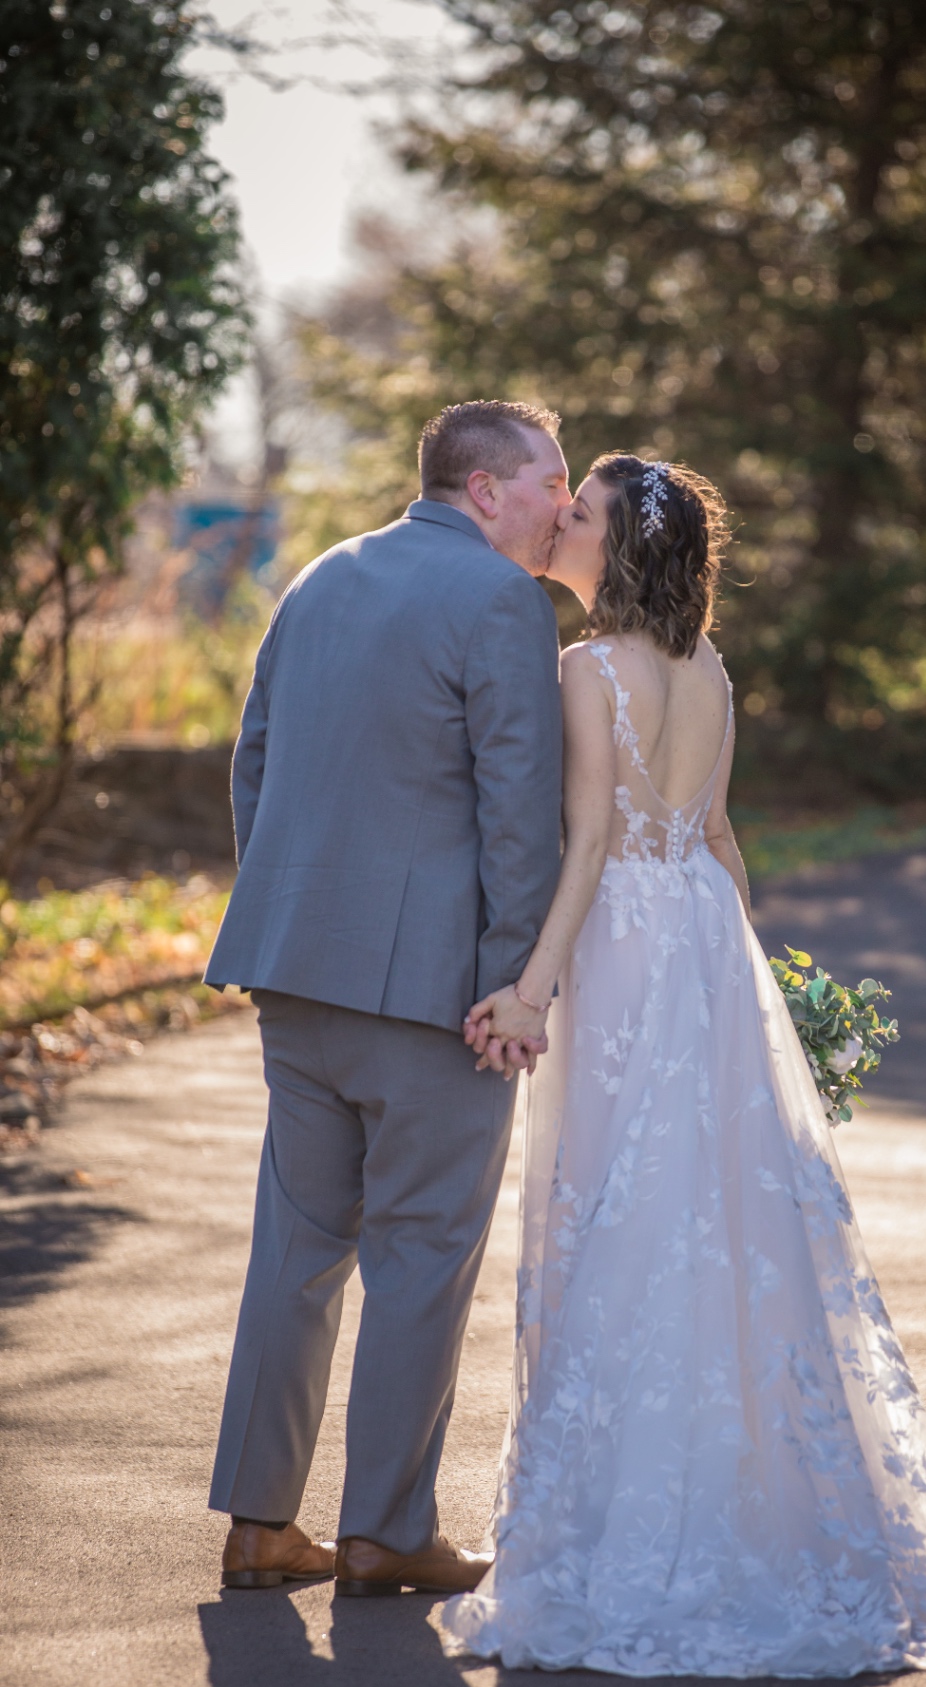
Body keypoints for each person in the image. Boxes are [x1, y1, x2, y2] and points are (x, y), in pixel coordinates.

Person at [443, 453, 926, 1676]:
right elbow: (721, 837)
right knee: (719, 1211)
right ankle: (749, 1502)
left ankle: (626, 1527)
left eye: (580, 515)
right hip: (705, 943)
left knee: (615, 1205)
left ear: (618, 548)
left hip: (625, 941)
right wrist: (763, 997)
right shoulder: (710, 671)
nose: (560, 522)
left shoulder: (587, 669)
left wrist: (532, 986)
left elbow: (583, 852)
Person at [204, 400, 569, 1596]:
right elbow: (519, 812)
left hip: (294, 969)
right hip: (434, 1000)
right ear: (484, 491)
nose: (563, 504)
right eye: (549, 482)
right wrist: (514, 983)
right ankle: (385, 1534)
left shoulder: (319, 575)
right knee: (420, 1254)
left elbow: (253, 760)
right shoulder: (502, 601)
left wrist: (288, 914)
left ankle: (261, 1528)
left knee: (295, 1253)